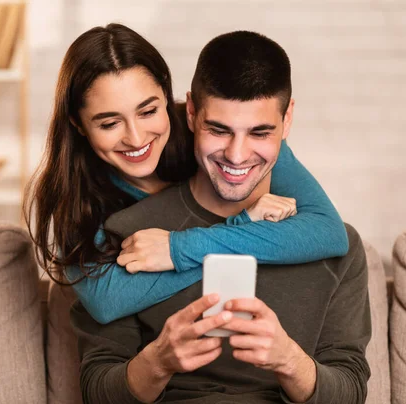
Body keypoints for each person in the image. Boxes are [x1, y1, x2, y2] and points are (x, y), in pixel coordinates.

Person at [71, 30, 371, 404]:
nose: (237, 154)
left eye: (260, 131)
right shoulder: (127, 237)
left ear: (287, 119)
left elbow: (351, 391)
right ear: (192, 113)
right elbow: (99, 388)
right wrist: (159, 362)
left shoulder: (331, 244)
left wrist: (290, 361)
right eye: (219, 130)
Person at [25, 23, 349, 324]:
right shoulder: (70, 195)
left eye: (149, 111)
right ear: (78, 123)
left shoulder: (218, 137)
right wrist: (242, 226)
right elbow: (106, 300)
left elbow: (327, 231)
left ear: (169, 98)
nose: (136, 138)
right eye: (110, 123)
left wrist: (181, 248)